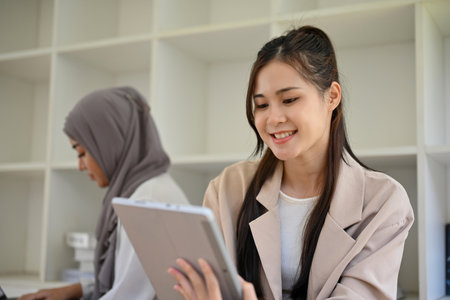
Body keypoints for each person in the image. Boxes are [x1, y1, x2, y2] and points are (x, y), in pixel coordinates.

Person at [168, 25, 414, 300]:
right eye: (261, 105)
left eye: (289, 99)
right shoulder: (227, 188)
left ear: (332, 96)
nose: (273, 119)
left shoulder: (383, 201)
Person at [19, 86, 189, 300]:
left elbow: (131, 296)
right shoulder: (144, 190)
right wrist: (80, 290)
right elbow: (129, 282)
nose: (80, 166)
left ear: (109, 143)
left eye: (82, 152)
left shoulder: (147, 200)